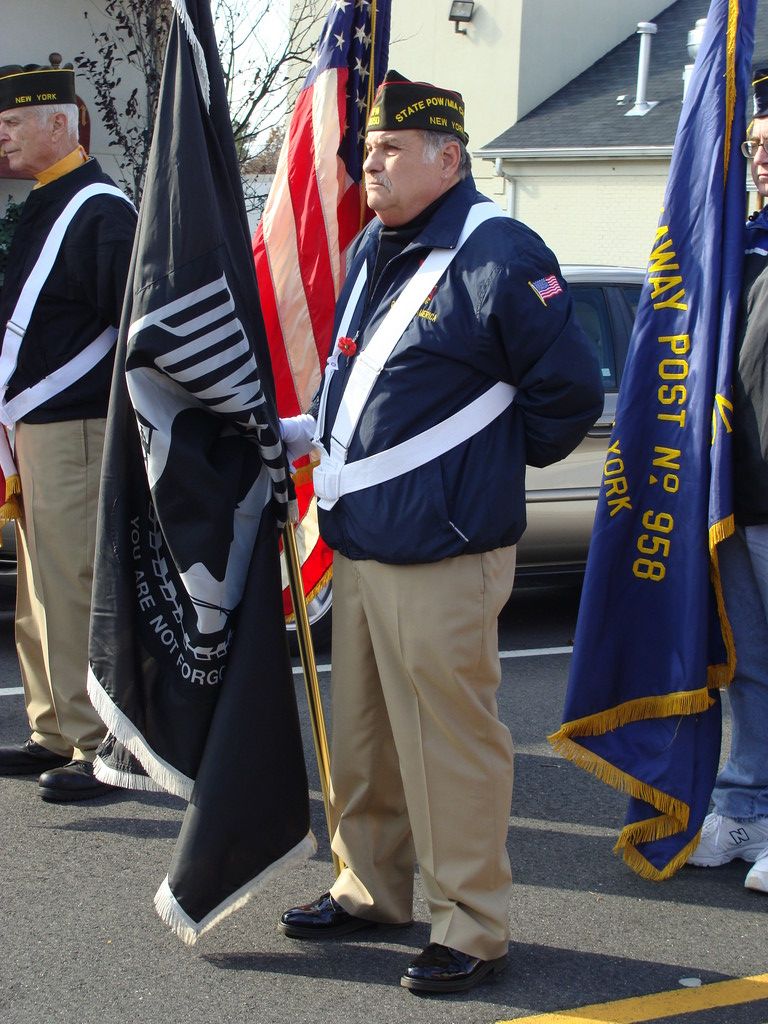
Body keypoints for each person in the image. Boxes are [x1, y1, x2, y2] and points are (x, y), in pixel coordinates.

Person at [277, 70, 604, 994]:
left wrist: (473, 477)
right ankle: (371, 887)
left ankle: (472, 924)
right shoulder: (378, 248)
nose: (367, 164)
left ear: (448, 158)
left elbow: (567, 394)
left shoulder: (495, 251)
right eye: (367, 149)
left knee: (449, 745)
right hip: (368, 539)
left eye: (388, 150)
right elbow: (364, 385)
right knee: (367, 735)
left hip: (445, 548)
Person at [0, 63, 136, 802]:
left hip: (78, 426)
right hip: (36, 427)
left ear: (62, 125)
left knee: (76, 587)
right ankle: (54, 726)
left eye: (15, 122)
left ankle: (101, 744)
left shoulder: (101, 211)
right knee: (39, 589)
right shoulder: (48, 202)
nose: (3, 135)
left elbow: (131, 325)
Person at [686, 68, 768, 893]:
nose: (760, 159)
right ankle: (745, 804)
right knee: (749, 665)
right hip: (739, 494)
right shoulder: (743, 244)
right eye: (754, 145)